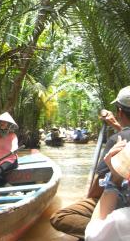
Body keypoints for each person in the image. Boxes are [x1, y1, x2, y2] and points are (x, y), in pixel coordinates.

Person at [50, 86, 130, 239]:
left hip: (120, 200)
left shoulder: (116, 140)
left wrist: (89, 198)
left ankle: (105, 233)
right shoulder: (121, 135)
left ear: (119, 112)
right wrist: (118, 127)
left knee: (61, 216)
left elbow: (101, 180)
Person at [85, 137, 130, 240]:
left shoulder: (122, 219)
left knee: (62, 216)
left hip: (111, 224)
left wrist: (114, 179)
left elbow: (91, 236)